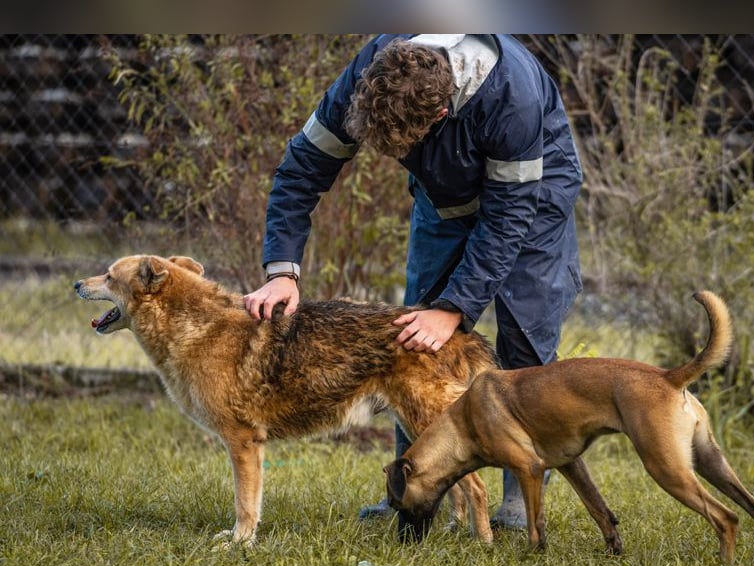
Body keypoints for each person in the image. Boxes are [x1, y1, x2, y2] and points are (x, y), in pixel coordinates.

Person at [244, 34, 583, 529]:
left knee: (526, 342)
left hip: (532, 198)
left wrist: (454, 308)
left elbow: (508, 218)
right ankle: (412, 488)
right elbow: (301, 169)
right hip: (442, 197)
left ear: (438, 116)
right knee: (409, 347)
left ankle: (519, 495)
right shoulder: (370, 76)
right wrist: (281, 270)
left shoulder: (513, 96)